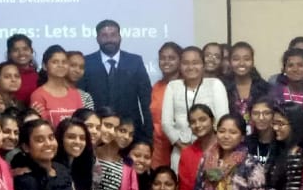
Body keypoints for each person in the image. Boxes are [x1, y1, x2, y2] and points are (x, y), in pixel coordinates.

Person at [77, 20, 155, 143]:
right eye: (104, 35)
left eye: (113, 35)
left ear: (120, 37)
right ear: (97, 39)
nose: (109, 39)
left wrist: (149, 133)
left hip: (130, 132)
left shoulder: (135, 61)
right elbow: (80, 99)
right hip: (98, 132)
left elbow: (147, 100)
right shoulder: (86, 63)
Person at [162, 46, 229, 171]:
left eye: (195, 63)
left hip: (211, 151)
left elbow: (222, 121)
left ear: (203, 65)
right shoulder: (172, 86)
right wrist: (184, 148)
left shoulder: (215, 84)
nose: (190, 67)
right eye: (185, 63)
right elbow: (166, 123)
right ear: (180, 66)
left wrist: (209, 148)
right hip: (181, 151)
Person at [175, 104, 217, 190]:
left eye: (202, 119)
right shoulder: (187, 154)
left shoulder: (226, 148)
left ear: (212, 120)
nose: (198, 125)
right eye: (193, 122)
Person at [30, 46, 85, 127]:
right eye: (55, 62)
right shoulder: (38, 95)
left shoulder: (75, 94)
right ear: (45, 66)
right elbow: (39, 127)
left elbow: (81, 123)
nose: (60, 65)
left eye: (64, 62)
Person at [150, 41, 182, 169]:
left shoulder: (185, 85)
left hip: (181, 146)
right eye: (162, 58)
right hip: (159, 148)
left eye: (171, 58)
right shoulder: (157, 86)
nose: (166, 62)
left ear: (180, 60)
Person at [224, 41, 271, 122]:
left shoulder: (264, 88)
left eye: (247, 59)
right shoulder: (222, 87)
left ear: (253, 62)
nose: (241, 63)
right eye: (236, 59)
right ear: (230, 62)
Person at [7, 34, 40, 106]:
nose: (21, 53)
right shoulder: (5, 76)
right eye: (16, 50)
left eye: (25, 49)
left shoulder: (40, 76)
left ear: (31, 51)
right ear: (9, 54)